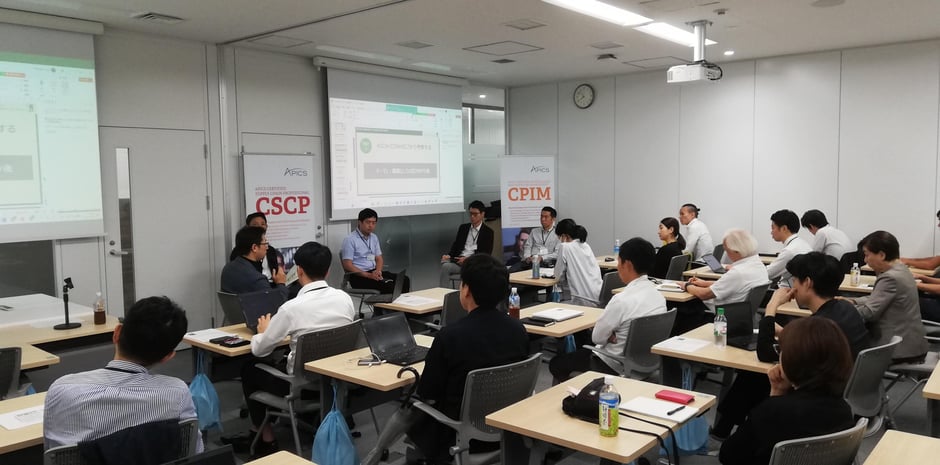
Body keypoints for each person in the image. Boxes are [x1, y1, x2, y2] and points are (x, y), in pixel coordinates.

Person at [363, 254, 529, 465]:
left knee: (415, 409)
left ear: (466, 290)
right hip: (506, 429)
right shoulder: (518, 330)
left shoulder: (450, 336)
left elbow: (428, 396)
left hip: (458, 435)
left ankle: (379, 454)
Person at [710, 252, 870, 440]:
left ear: (807, 283)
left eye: (795, 280)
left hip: (816, 393)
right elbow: (815, 344)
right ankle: (725, 429)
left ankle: (730, 432)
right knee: (754, 377)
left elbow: (765, 353)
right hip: (840, 385)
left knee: (756, 376)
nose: (793, 285)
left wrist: (772, 307)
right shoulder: (845, 309)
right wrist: (786, 333)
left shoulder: (819, 323)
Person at [230, 241, 356, 455]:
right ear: (327, 271)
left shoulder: (291, 308)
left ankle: (265, 438)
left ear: (298, 271)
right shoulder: (344, 299)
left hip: (301, 386)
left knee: (250, 368)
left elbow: (260, 350)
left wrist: (262, 331)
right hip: (335, 380)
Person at [44, 296, 202, 452]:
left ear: (117, 333)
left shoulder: (62, 390)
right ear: (167, 356)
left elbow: (53, 450)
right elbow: (194, 450)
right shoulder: (177, 393)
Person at [718, 317, 855, 465]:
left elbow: (728, 455)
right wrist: (777, 392)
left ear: (794, 360)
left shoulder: (774, 412)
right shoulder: (844, 410)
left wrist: (773, 399)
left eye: (780, 351)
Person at [548, 237, 667, 383]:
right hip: (647, 364)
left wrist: (609, 334)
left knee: (556, 363)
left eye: (619, 261)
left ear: (627, 264)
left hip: (612, 365)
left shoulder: (622, 300)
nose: (618, 266)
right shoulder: (659, 297)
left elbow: (597, 338)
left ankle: (579, 393)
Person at [844, 231, 927, 363]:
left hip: (898, 348)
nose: (865, 260)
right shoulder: (901, 269)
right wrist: (853, 301)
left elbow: (869, 313)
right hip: (912, 342)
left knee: (845, 349)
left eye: (867, 255)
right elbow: (879, 298)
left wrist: (842, 309)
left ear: (882, 255)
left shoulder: (890, 277)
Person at [679, 229, 769, 332]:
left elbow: (704, 294)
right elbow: (732, 285)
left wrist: (686, 285)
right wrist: (703, 283)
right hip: (743, 318)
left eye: (727, 250)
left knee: (684, 307)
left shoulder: (738, 272)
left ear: (736, 250)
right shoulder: (758, 265)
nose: (726, 253)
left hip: (722, 319)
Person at [340, 208, 409, 294]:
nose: (371, 225)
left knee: (404, 280)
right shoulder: (350, 239)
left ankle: (402, 303)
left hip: (373, 272)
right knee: (389, 286)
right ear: (360, 222)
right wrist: (368, 275)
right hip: (359, 276)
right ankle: (383, 303)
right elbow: (347, 265)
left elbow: (379, 258)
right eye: (368, 222)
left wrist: (378, 271)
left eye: (373, 223)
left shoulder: (374, 237)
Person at [220, 225, 288, 298]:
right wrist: (281, 283)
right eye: (265, 243)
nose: (267, 247)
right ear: (254, 248)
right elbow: (277, 302)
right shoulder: (257, 279)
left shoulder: (227, 268)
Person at [439, 200, 494, 287]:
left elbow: (486, 255)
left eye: (475, 214)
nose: (472, 217)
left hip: (475, 264)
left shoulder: (488, 232)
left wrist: (468, 260)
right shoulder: (463, 228)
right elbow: (456, 245)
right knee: (445, 266)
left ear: (482, 214)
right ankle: (443, 293)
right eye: (470, 214)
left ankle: (467, 293)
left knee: (476, 272)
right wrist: (449, 255)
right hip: (459, 261)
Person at [554, 218, 602, 307]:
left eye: (559, 238)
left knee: (553, 306)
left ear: (564, 236)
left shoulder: (565, 247)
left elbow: (557, 275)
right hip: (599, 297)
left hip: (582, 300)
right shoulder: (585, 245)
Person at [228, 212, 284, 283]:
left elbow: (275, 271)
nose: (259, 227)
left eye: (262, 224)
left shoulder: (271, 250)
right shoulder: (239, 252)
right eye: (255, 224)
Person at [765, 209, 812, 286]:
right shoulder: (802, 243)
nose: (771, 232)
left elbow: (768, 274)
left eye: (773, 228)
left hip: (788, 290)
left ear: (784, 228)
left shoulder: (790, 251)